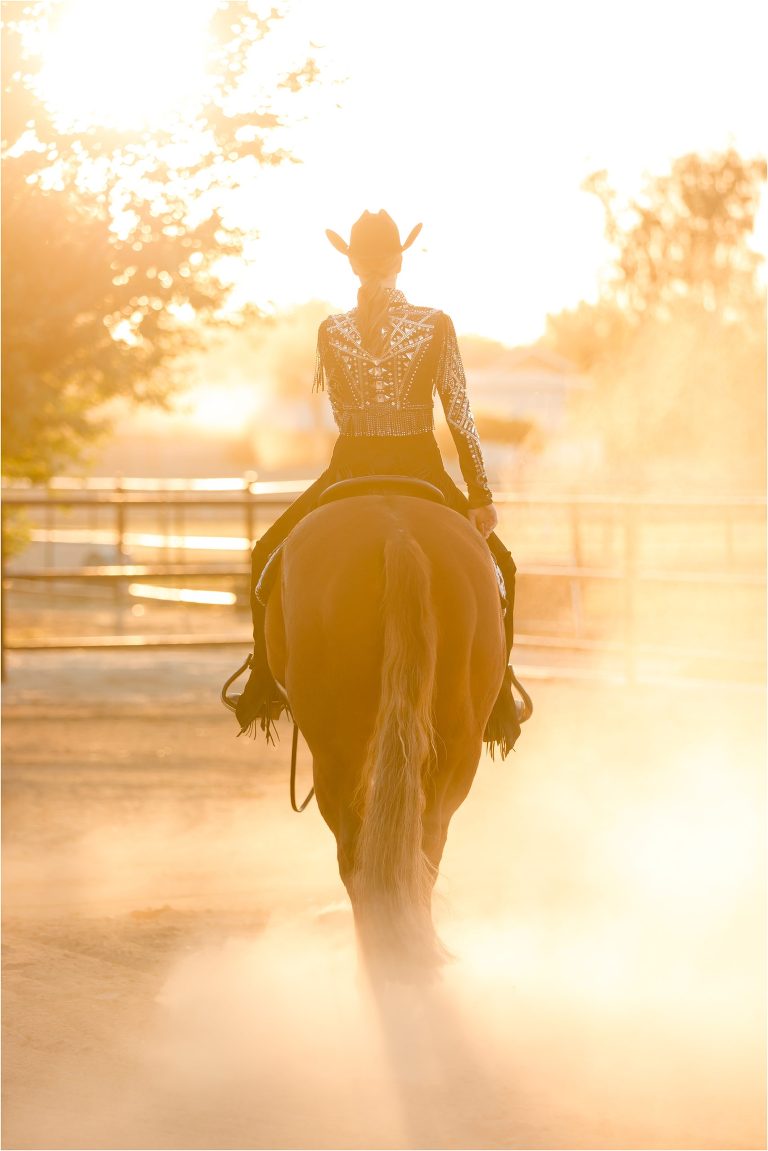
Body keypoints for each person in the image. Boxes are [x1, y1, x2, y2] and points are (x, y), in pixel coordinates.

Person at [232, 209, 530, 757]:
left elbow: (342, 410)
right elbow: (459, 417)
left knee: (264, 554)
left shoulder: (331, 330)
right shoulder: (435, 324)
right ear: (399, 260)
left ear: (351, 264)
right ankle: (500, 697)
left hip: (349, 468)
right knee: (503, 570)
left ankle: (263, 684)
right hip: (422, 467)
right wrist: (481, 497)